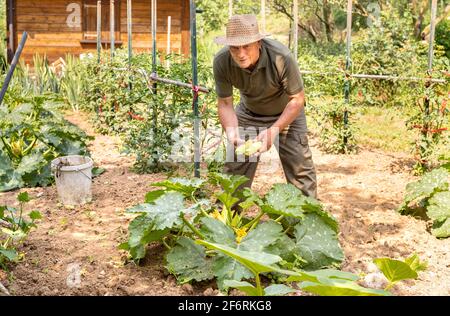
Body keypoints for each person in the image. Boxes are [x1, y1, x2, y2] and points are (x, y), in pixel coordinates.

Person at [213, 14, 317, 198]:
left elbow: (297, 99)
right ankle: (226, 221)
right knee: (234, 170)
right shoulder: (222, 61)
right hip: (249, 112)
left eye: (246, 46)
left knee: (300, 169)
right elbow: (225, 103)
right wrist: (232, 132)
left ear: (259, 42)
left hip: (287, 113)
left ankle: (307, 222)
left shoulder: (281, 57)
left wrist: (274, 130)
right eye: (235, 47)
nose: (241, 53)